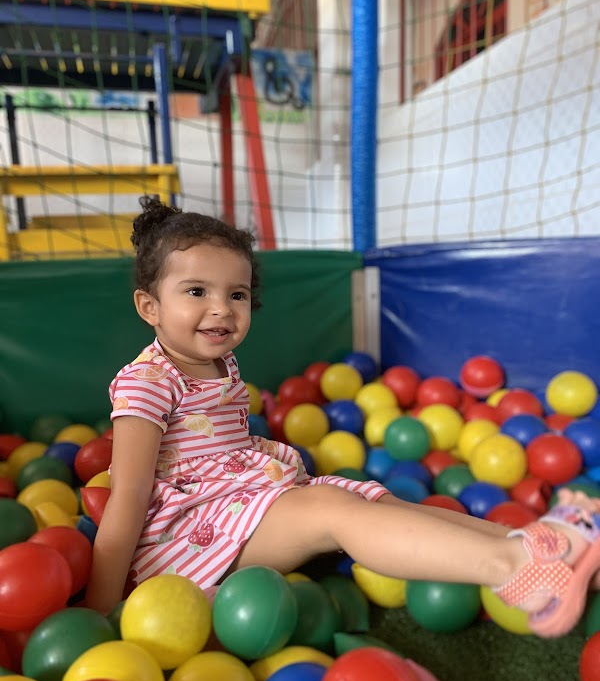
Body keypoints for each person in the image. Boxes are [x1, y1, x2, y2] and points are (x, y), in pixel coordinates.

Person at [85, 197, 600, 639]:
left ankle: (536, 547)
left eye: (236, 294)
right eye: (197, 292)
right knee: (333, 509)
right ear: (149, 306)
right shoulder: (146, 381)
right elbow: (128, 496)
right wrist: (102, 610)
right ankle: (515, 569)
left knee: (375, 498)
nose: (222, 309)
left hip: (240, 503)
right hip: (187, 543)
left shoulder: (219, 361)